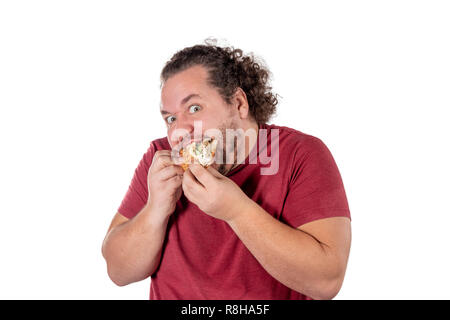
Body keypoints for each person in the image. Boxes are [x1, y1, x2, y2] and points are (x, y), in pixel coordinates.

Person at [101, 40, 352, 300]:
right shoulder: (160, 159)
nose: (178, 131)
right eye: (171, 118)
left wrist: (236, 211)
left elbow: (326, 282)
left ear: (239, 103)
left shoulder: (300, 154)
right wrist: (156, 210)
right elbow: (118, 272)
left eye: (194, 108)